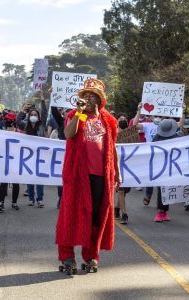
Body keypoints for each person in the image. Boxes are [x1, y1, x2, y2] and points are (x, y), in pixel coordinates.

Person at [56, 78, 120, 273]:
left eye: (93, 96)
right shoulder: (77, 115)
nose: (89, 98)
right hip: (77, 174)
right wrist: (79, 114)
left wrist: (117, 171)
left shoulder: (108, 120)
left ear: (100, 100)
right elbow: (69, 134)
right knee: (71, 212)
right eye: (86, 95)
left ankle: (91, 255)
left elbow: (112, 147)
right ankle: (67, 256)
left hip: (101, 175)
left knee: (94, 217)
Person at [133, 102, 185, 206]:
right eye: (156, 116)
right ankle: (148, 194)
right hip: (151, 155)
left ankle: (161, 201)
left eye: (161, 116)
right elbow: (135, 125)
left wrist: (183, 111)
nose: (158, 118)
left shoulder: (168, 126)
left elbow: (180, 124)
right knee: (151, 175)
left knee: (161, 177)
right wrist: (139, 111)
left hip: (164, 156)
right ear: (151, 116)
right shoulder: (147, 125)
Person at [19, 90, 48, 208]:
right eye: (32, 115)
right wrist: (22, 111)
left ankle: (39, 199)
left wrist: (42, 99)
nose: (33, 117)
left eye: (35, 115)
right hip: (29, 156)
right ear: (29, 116)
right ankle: (31, 198)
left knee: (39, 179)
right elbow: (17, 121)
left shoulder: (42, 124)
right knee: (30, 178)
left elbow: (45, 113)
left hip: (40, 156)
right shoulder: (25, 125)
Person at [152, 119, 180, 222]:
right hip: (160, 166)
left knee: (168, 188)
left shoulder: (176, 137)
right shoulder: (157, 137)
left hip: (172, 165)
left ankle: (164, 211)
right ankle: (160, 212)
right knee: (161, 188)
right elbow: (151, 150)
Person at [0, 113, 20, 212]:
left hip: (16, 161)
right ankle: (1, 202)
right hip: (5, 161)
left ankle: (14, 202)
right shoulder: (2, 133)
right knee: (3, 182)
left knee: (15, 183)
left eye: (11, 121)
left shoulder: (19, 133)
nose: (9, 123)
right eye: (7, 121)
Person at [115, 116, 130, 224]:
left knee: (124, 191)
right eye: (120, 119)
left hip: (128, 167)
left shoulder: (130, 136)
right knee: (121, 190)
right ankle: (124, 214)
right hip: (117, 166)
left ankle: (116, 208)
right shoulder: (113, 134)